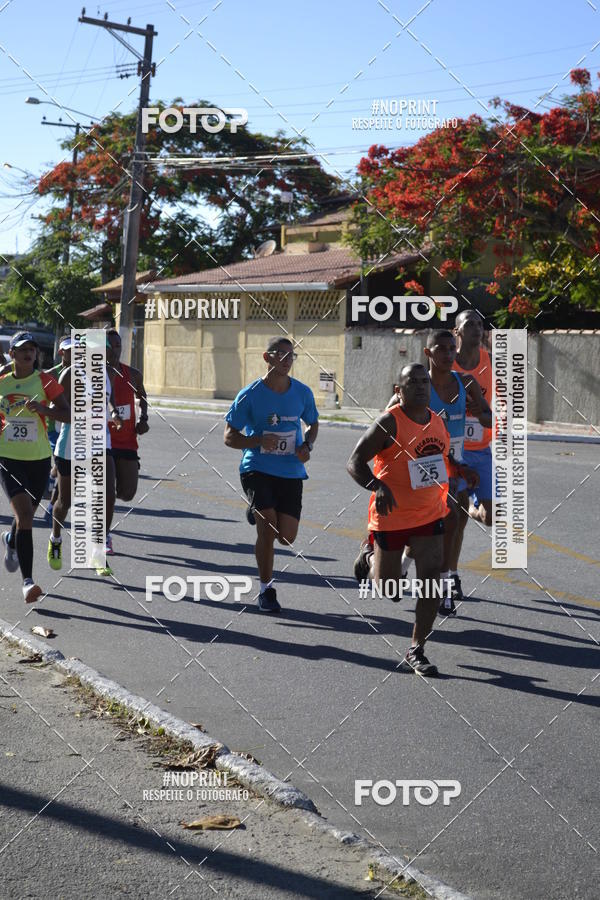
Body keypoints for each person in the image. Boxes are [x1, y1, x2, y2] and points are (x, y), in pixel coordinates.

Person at [347, 363, 476, 676]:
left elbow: (441, 456)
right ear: (398, 390)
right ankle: (370, 553)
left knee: (430, 580)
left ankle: (417, 648)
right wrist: (377, 485)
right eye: (412, 382)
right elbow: (355, 463)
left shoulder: (436, 421)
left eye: (424, 382)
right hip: (390, 514)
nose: (420, 387)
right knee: (389, 589)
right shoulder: (388, 423)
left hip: (428, 514)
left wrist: (460, 468)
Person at [385, 330, 488, 612]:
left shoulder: (465, 382)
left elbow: (488, 417)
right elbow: (385, 423)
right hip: (417, 469)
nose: (448, 354)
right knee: (422, 529)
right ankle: (403, 567)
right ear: (428, 353)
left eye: (451, 348)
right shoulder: (417, 386)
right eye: (440, 349)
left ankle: (444, 590)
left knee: (450, 524)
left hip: (453, 468)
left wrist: (479, 411)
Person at [224, 337, 319, 613]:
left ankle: (257, 510)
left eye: (292, 356)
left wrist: (307, 446)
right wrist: (257, 441)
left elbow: (313, 424)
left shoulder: (302, 393)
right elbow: (230, 437)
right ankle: (266, 590)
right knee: (267, 530)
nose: (288, 360)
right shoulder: (250, 394)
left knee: (286, 537)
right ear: (267, 358)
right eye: (282, 355)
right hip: (257, 468)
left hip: (290, 470)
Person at [0, 331, 70, 602]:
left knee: (25, 516)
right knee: (26, 515)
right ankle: (28, 582)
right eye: (22, 349)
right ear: (12, 354)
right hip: (8, 458)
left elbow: (68, 414)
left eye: (32, 349)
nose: (28, 353)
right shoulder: (2, 383)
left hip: (39, 459)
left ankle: (11, 540)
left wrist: (45, 410)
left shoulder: (46, 381)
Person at [48, 335, 121, 576]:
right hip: (72, 444)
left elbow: (107, 402)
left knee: (108, 494)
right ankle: (56, 538)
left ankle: (98, 551)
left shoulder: (107, 374)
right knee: (64, 502)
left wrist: (115, 415)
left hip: (101, 443)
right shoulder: (70, 374)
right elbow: (55, 410)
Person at [105, 328, 149, 555]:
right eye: (109, 345)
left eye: (118, 346)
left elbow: (142, 396)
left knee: (127, 493)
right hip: (102, 442)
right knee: (109, 493)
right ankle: (104, 536)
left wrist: (144, 418)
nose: (114, 350)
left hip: (127, 441)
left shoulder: (132, 374)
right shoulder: (93, 376)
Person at [452, 311, 494, 526]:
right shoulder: (446, 364)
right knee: (453, 519)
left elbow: (503, 409)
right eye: (470, 324)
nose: (477, 329)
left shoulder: (491, 362)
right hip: (453, 450)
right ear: (456, 331)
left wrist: (487, 416)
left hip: (481, 448)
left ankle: (471, 505)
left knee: (491, 517)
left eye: (480, 324)